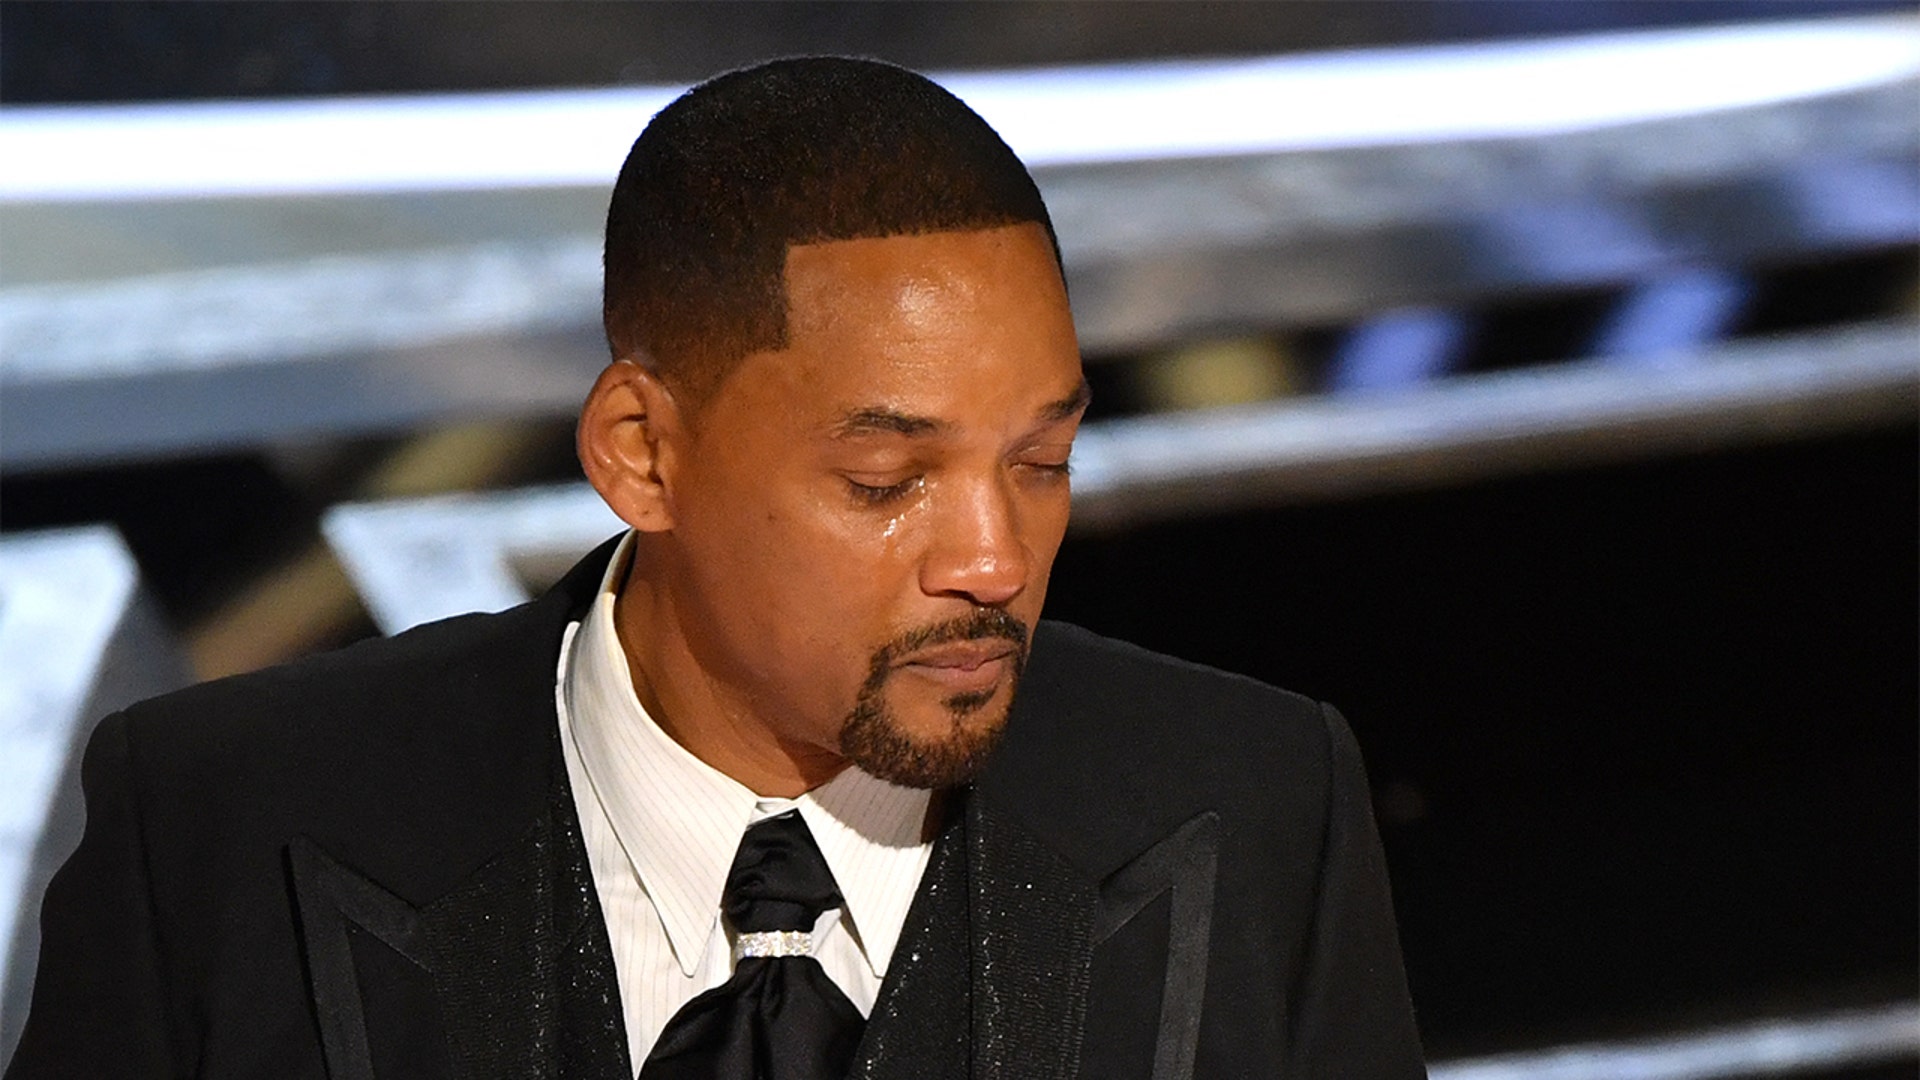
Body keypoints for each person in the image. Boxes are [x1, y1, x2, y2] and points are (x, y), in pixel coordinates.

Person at [6, 57, 1424, 1079]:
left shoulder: (1253, 801)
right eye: (886, 482)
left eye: (1041, 460)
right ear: (641, 451)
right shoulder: (213, 826)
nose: (994, 557)